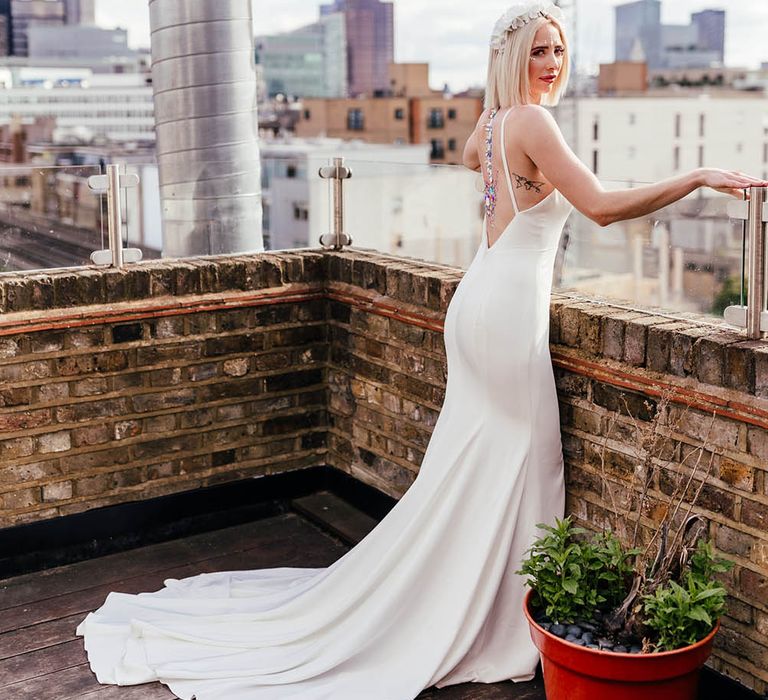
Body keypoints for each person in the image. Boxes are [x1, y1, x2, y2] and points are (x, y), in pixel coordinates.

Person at [76, 3, 767, 699]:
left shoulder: (494, 122)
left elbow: (474, 159)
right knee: (522, 456)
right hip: (502, 311)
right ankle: (491, 618)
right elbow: (602, 206)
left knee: (479, 461)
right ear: (514, 59)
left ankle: (475, 603)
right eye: (538, 52)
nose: (552, 64)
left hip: (480, 300)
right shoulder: (530, 120)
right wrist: (699, 175)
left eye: (558, 50)